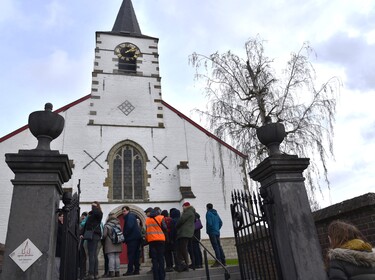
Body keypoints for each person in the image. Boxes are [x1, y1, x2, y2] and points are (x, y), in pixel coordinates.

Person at [81, 201, 103, 280]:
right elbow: (86, 225)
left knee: (92, 255)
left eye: (94, 205)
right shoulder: (91, 215)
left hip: (94, 235)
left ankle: (92, 274)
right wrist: (82, 233)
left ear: (97, 206)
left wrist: (94, 208)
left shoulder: (98, 213)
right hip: (91, 235)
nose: (92, 206)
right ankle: (94, 274)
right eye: (92, 205)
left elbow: (98, 213)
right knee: (93, 255)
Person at [145, 207, 167, 280]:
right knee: (161, 258)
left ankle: (156, 277)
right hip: (160, 240)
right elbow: (165, 227)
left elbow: (146, 231)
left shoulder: (147, 220)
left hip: (151, 241)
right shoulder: (161, 217)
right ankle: (162, 276)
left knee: (154, 259)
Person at [175, 202, 196, 272]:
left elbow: (181, 220)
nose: (182, 208)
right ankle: (184, 264)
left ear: (186, 206)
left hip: (184, 233)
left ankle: (185, 264)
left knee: (183, 248)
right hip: (187, 233)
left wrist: (176, 226)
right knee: (182, 248)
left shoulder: (188, 212)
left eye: (183, 207)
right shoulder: (191, 212)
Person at [122, 206, 142, 276]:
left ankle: (130, 270)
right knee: (136, 254)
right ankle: (136, 270)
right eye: (122, 211)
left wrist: (124, 235)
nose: (123, 212)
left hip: (132, 239)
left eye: (124, 211)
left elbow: (129, 227)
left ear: (128, 211)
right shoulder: (132, 216)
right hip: (136, 238)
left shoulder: (129, 217)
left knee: (131, 255)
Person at [206, 203, 226, 267]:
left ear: (207, 207)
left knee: (215, 247)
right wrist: (217, 228)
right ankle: (223, 261)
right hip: (217, 232)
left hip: (212, 232)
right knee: (219, 246)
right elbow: (220, 222)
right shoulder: (216, 213)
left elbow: (209, 223)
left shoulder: (208, 213)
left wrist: (209, 231)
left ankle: (218, 261)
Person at [79, 212, 88, 280]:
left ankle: (82, 274)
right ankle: (83, 273)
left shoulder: (82, 224)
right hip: (83, 242)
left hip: (82, 242)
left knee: (83, 259)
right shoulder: (82, 223)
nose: (83, 217)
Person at [54, 211, 63, 280]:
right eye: (61, 216)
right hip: (58, 249)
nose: (63, 218)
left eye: (63, 216)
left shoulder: (64, 225)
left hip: (62, 250)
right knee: (57, 266)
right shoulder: (58, 225)